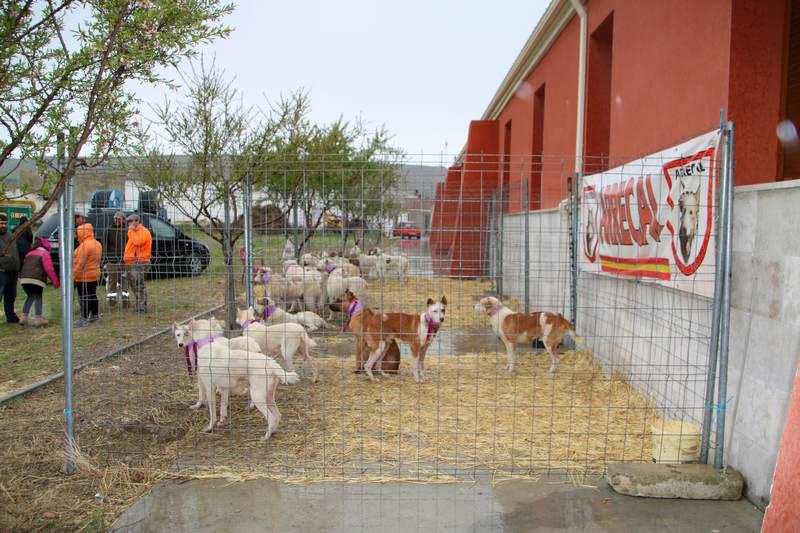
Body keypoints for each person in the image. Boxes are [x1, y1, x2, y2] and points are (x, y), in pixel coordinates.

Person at [19, 236, 60, 327]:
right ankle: (38, 319)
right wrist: (56, 283)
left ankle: (23, 317)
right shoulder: (44, 254)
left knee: (30, 296)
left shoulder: (29, 253)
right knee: (38, 297)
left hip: (24, 279)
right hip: (36, 279)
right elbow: (49, 270)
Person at [73, 222, 102, 326]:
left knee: (84, 297)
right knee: (92, 295)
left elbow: (80, 263)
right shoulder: (97, 243)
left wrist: (73, 274)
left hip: (83, 275)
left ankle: (83, 318)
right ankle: (95, 314)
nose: (77, 236)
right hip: (94, 274)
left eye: (78, 233)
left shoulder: (84, 246)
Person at [124, 214, 152, 313]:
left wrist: (130, 231)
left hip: (141, 262)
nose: (128, 224)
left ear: (136, 221)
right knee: (135, 285)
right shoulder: (135, 233)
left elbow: (137, 242)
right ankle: (139, 304)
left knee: (139, 284)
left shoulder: (143, 232)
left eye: (130, 221)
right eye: (127, 222)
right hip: (133, 262)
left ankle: (142, 306)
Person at [104, 211, 129, 307]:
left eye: (118, 218)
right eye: (115, 218)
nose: (116, 220)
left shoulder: (127, 230)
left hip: (124, 260)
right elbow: (105, 245)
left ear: (123, 220)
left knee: (124, 280)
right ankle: (112, 301)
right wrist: (107, 258)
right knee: (112, 281)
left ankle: (125, 301)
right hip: (112, 261)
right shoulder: (108, 230)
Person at [0, 214, 21, 323]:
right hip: (1, 272)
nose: (3, 225)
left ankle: (10, 316)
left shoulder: (10, 235)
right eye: (1, 223)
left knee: (11, 295)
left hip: (13, 272)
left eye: (5, 223)